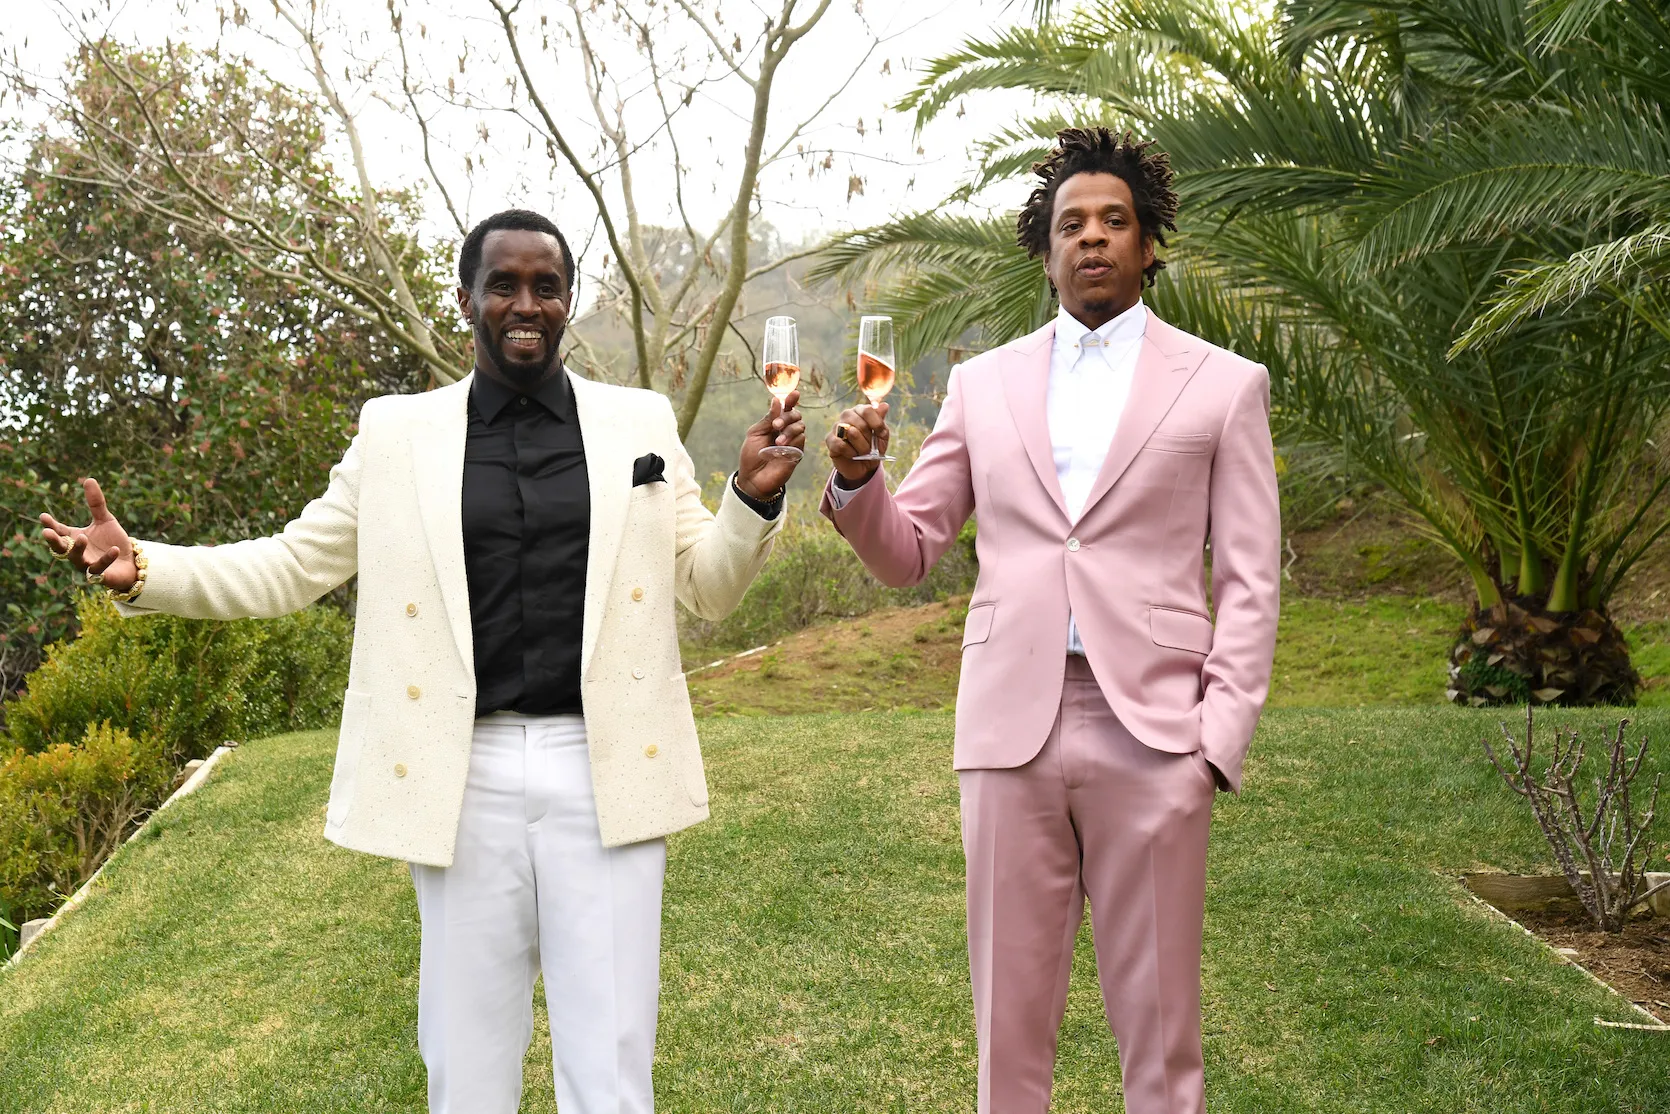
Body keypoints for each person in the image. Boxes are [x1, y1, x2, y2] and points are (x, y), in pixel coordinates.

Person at [37, 208, 806, 1114]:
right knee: (466, 1067)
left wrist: (751, 500)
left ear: (569, 301)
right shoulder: (397, 432)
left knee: (610, 1069)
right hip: (461, 773)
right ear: (467, 300)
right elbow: (292, 564)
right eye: (505, 285)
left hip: (606, 768)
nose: (527, 304)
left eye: (546, 286)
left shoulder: (635, 421)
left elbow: (707, 587)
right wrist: (148, 569)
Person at [822, 128, 1279, 1114]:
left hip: (1155, 737)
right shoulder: (981, 386)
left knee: (1160, 1038)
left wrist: (1213, 743)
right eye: (1070, 223)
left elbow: (1248, 581)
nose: (1092, 238)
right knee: (1006, 1037)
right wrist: (859, 481)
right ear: (1044, 252)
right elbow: (908, 550)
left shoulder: (1224, 387)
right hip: (1005, 731)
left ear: (1148, 243)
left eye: (1115, 220)